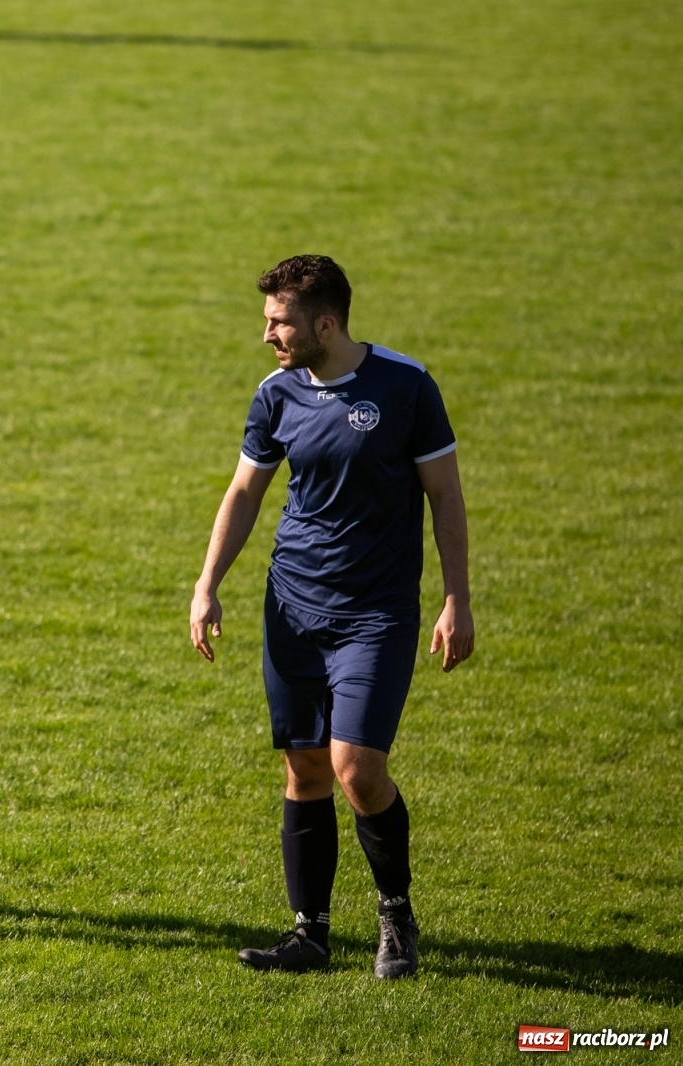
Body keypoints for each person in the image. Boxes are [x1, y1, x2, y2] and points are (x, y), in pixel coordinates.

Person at [188, 255, 473, 978]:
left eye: (279, 323)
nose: (268, 337)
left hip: (375, 613)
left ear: (326, 323)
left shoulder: (405, 387)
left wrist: (456, 598)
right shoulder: (277, 393)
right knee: (305, 765)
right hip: (293, 607)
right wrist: (207, 583)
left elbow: (444, 493)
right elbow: (246, 493)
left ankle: (396, 918)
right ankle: (309, 935)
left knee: (358, 768)